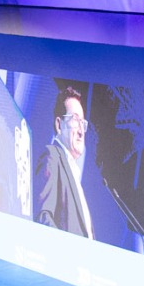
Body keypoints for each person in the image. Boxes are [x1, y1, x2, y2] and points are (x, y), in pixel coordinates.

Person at [37, 85, 93, 238]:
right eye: (75, 119)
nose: (81, 131)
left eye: (83, 122)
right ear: (59, 125)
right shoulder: (52, 156)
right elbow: (42, 217)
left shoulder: (74, 173)